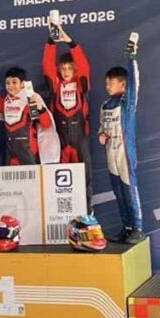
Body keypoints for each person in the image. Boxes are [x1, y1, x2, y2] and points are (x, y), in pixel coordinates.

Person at [99, 34, 144, 244]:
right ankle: (126, 227)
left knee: (129, 189)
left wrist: (131, 57)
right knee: (118, 191)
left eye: (111, 83)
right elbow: (102, 127)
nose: (108, 86)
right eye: (107, 83)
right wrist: (101, 134)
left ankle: (138, 228)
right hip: (111, 150)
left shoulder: (127, 103)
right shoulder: (105, 105)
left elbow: (135, 83)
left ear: (123, 85)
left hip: (125, 151)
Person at [43, 25, 93, 204]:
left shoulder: (81, 85)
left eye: (70, 68)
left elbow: (84, 66)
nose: (66, 71)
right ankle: (62, 210)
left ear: (75, 70)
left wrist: (70, 42)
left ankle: (88, 210)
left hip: (80, 138)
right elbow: (47, 66)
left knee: (84, 176)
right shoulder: (56, 86)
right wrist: (51, 41)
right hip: (61, 139)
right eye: (63, 68)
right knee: (61, 179)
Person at [0, 67, 52, 165]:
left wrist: (40, 108)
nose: (10, 86)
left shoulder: (29, 99)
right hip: (10, 151)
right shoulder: (6, 100)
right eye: (8, 83)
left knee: (31, 174)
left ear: (22, 84)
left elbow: (46, 124)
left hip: (27, 150)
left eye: (14, 82)